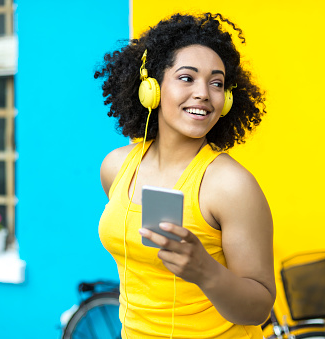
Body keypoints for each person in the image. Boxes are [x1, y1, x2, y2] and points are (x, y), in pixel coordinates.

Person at [96, 12, 275, 338]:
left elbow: (260, 307)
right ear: (151, 87)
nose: (204, 93)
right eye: (186, 78)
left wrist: (205, 271)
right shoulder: (116, 167)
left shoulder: (231, 186)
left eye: (217, 83)